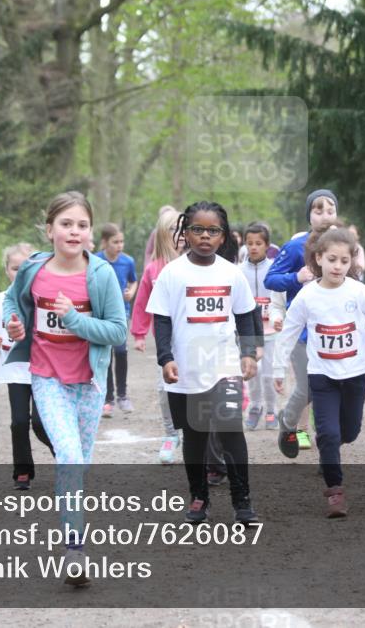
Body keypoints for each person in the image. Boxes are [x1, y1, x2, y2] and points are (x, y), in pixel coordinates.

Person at [3, 191, 127, 586]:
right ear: (49, 229)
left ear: (90, 232)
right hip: (48, 379)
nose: (74, 231)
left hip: (89, 384)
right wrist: (13, 324)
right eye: (66, 224)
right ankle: (75, 549)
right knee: (69, 457)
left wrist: (74, 319)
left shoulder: (101, 274)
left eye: (82, 225)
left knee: (79, 464)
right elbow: (11, 302)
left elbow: (116, 331)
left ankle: (72, 532)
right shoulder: (34, 270)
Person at [146, 201, 260, 525]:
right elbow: (162, 321)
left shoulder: (231, 273)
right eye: (197, 229)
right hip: (185, 369)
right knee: (194, 436)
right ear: (185, 233)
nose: (205, 236)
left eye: (213, 230)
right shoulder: (172, 274)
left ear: (223, 236)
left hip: (223, 366)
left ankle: (242, 502)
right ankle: (199, 497)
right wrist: (165, 358)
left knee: (230, 432)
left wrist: (249, 353)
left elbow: (246, 316)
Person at [273, 227, 365, 516]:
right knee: (327, 433)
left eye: (344, 261)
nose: (338, 266)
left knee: (348, 431)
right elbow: (289, 332)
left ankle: (332, 447)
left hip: (355, 373)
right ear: (319, 259)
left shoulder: (359, 291)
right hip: (322, 374)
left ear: (351, 263)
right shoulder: (307, 296)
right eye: (332, 259)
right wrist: (277, 368)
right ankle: (335, 492)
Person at [266, 189, 339, 457]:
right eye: (318, 210)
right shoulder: (296, 247)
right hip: (302, 332)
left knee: (331, 387)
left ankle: (326, 447)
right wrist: (296, 278)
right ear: (309, 215)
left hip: (335, 331)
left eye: (330, 210)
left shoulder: (344, 245)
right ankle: (290, 424)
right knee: (308, 388)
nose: (324, 215)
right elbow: (271, 279)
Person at [0, 243, 54, 490]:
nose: (19, 272)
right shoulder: (2, 299)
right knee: (19, 422)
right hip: (14, 371)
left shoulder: (43, 299)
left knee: (42, 424)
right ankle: (22, 471)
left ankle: (66, 455)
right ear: (7, 271)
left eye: (25, 268)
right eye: (14, 268)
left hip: (43, 369)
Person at [130, 207, 183, 464]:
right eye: (173, 229)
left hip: (195, 339)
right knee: (165, 387)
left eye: (183, 228)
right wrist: (139, 333)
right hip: (165, 341)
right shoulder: (153, 269)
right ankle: (171, 434)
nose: (180, 234)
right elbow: (141, 303)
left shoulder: (200, 264)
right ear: (162, 235)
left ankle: (197, 435)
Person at [240, 222, 279, 430]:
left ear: (267, 245)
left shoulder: (274, 269)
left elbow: (280, 297)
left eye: (258, 243)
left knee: (268, 373)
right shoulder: (238, 271)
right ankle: (255, 407)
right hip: (249, 332)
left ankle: (272, 409)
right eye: (249, 243)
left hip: (271, 330)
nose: (253, 247)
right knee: (251, 371)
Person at [96, 222, 138, 417]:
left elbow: (133, 280)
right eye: (115, 242)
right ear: (104, 242)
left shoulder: (127, 261)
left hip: (122, 312)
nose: (120, 246)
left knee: (120, 351)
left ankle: (123, 395)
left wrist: (131, 292)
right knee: (106, 355)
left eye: (121, 242)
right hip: (102, 314)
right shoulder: (95, 261)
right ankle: (108, 399)